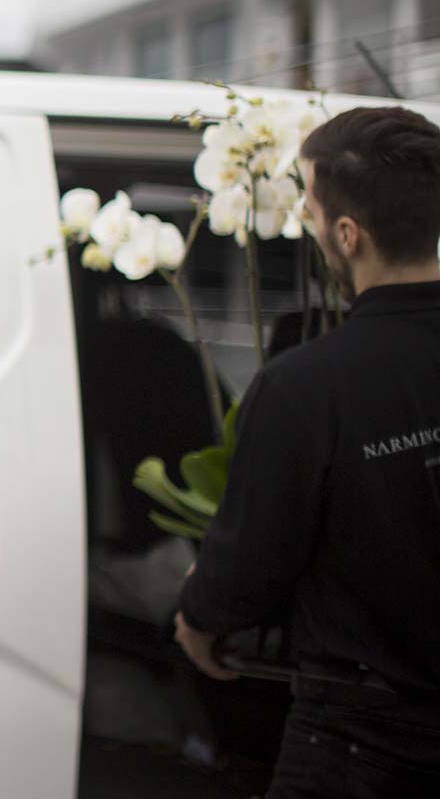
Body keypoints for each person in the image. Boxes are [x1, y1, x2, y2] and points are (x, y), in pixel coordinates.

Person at [176, 105, 440, 796]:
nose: (311, 226)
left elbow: (247, 569)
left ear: (347, 235)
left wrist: (200, 623)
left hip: (360, 744)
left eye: (314, 210)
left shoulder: (304, 385)